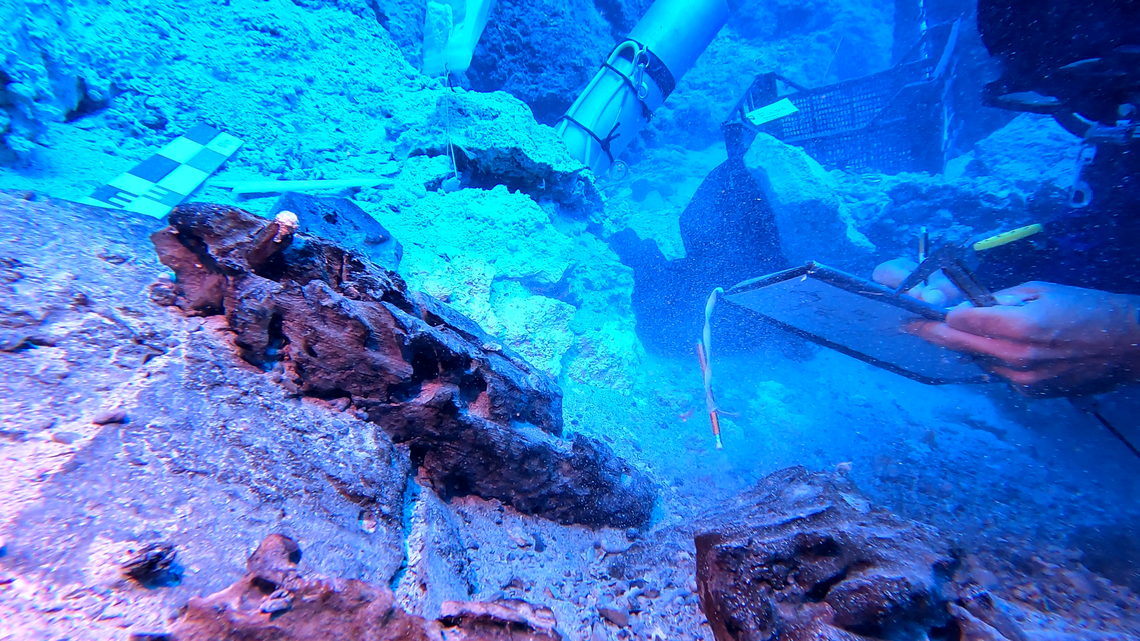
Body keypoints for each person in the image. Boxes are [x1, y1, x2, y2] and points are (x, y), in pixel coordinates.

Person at [872, 0, 1140, 397]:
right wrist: (980, 280)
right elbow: (1110, 235)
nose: (1110, 115)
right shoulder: (1121, 136)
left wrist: (1127, 334)